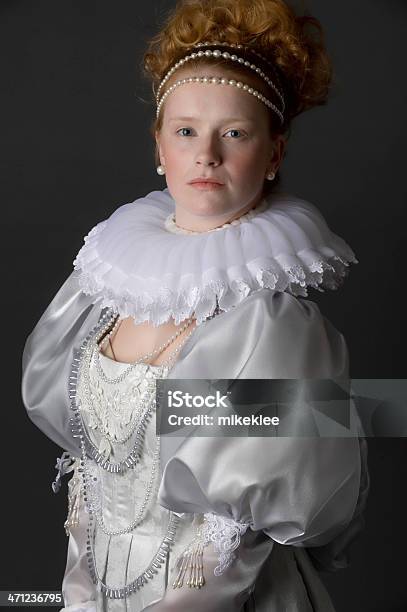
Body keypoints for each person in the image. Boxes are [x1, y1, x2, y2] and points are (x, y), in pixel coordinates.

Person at [21, 0, 369, 610]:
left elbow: (241, 544)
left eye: (235, 133)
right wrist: (78, 592)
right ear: (159, 146)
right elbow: (90, 472)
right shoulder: (103, 291)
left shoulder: (273, 324)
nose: (206, 153)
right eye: (186, 131)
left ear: (275, 154)